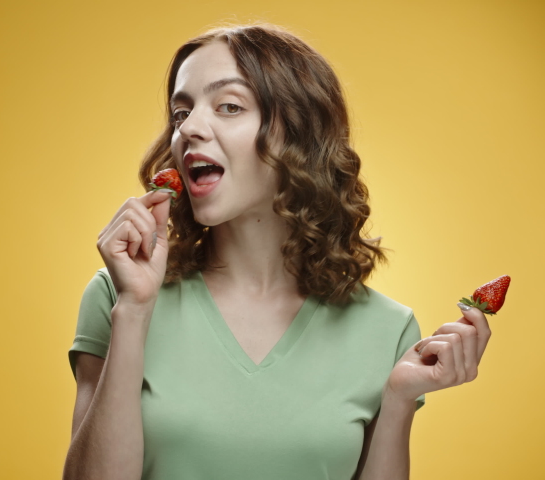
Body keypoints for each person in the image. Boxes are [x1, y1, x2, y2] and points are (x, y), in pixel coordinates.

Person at [63, 24, 491, 480]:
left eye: (229, 106)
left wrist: (399, 398)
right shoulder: (118, 296)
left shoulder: (387, 331)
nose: (189, 129)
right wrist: (133, 311)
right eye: (180, 113)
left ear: (298, 135)